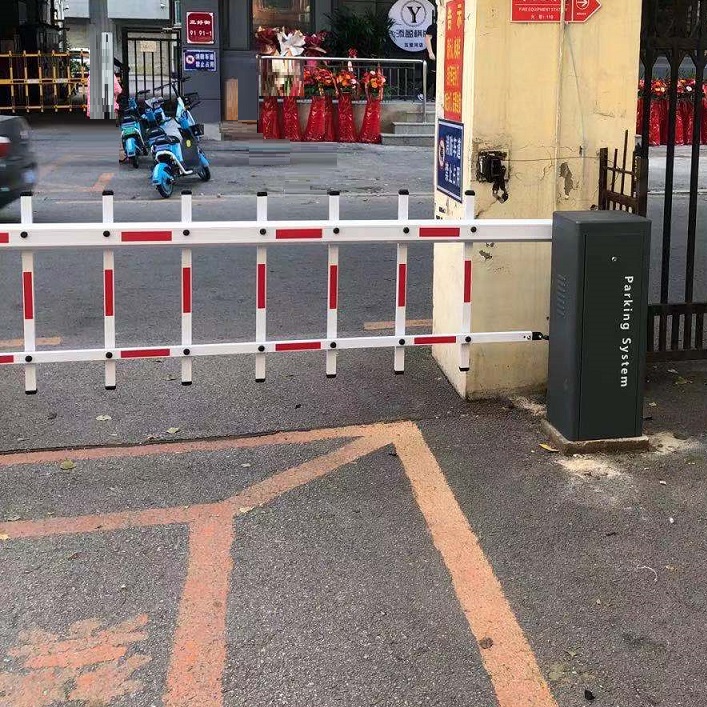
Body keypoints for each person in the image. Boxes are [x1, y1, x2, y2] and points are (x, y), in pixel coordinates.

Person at [418, 7, 437, 102]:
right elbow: (427, 38)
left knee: (439, 76)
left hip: (442, 55)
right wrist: (430, 52)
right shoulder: (433, 27)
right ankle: (422, 92)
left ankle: (435, 96)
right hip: (432, 55)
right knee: (432, 75)